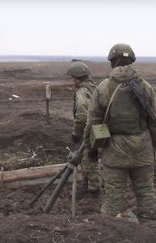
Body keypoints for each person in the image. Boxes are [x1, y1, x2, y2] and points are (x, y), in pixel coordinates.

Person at [83, 44, 156, 223]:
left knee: (113, 196)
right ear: (132, 60)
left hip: (114, 151)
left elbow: (92, 122)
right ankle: (151, 230)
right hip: (142, 148)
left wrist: (91, 149)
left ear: (112, 61)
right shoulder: (146, 87)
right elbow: (155, 122)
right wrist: (154, 146)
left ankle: (110, 231)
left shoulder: (103, 88)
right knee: (145, 192)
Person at [66, 61, 99, 192]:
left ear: (77, 78)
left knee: (89, 159)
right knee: (91, 157)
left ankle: (93, 188)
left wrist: (76, 133)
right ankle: (88, 185)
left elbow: (82, 116)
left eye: (72, 78)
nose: (72, 81)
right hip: (98, 129)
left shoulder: (82, 93)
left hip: (89, 131)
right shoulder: (95, 88)